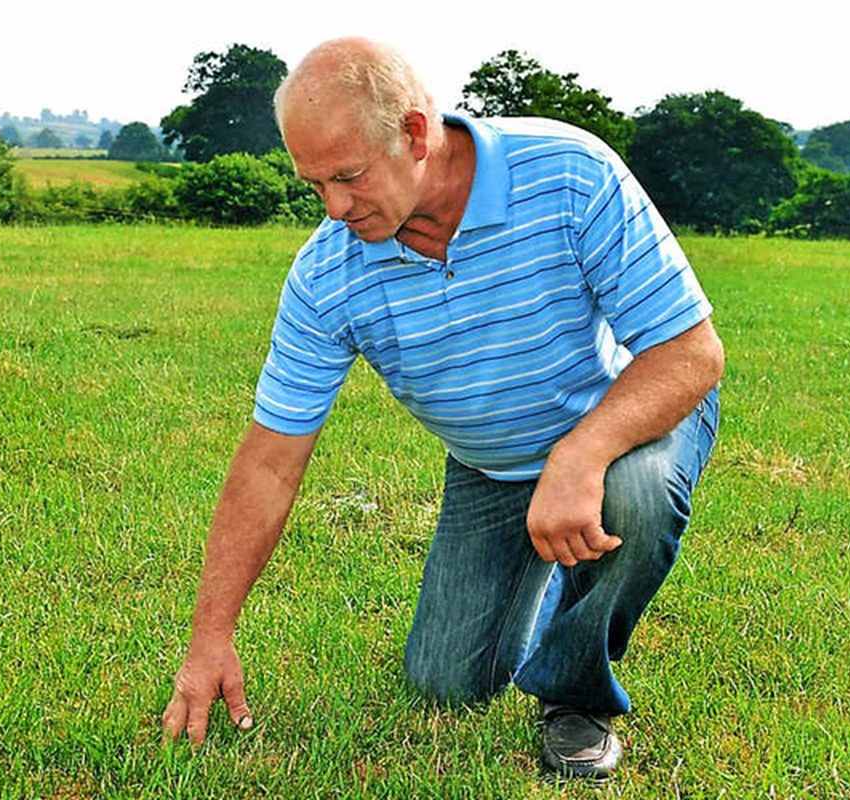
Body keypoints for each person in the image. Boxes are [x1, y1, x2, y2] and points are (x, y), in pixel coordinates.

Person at [162, 36, 724, 780]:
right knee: (446, 684)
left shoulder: (568, 172)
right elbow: (269, 462)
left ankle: (574, 696)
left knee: (636, 496)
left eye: (349, 177)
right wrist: (211, 636)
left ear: (416, 134)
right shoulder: (326, 275)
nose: (334, 208)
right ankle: (554, 556)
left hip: (625, 420)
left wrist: (580, 455)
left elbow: (691, 354)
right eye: (313, 185)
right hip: (491, 467)